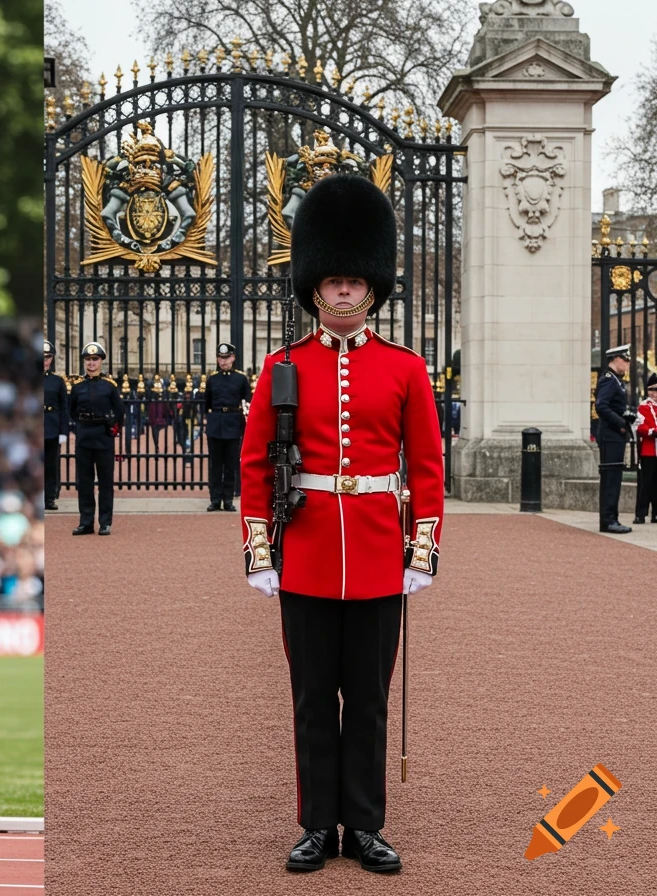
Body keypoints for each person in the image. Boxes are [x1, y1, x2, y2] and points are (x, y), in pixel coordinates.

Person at [239, 174, 443, 874]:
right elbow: (256, 468)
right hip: (308, 555)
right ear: (316, 288)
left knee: (370, 704)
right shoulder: (280, 370)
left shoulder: (407, 371)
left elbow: (426, 468)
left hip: (382, 556)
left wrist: (422, 551)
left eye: (357, 280)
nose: (346, 291)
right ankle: (316, 825)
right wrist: (260, 553)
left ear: (373, 287)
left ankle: (365, 825)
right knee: (310, 703)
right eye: (334, 281)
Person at [69, 342, 123, 536]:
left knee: (105, 482)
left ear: (101, 362)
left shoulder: (109, 387)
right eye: (88, 360)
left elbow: (119, 412)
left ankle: (105, 522)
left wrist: (112, 430)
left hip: (103, 437)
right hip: (84, 436)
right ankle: (86, 522)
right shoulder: (77, 387)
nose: (91, 363)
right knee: (84, 482)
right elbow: (72, 411)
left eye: (95, 359)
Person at [204, 343, 253, 511]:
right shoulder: (212, 379)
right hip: (216, 422)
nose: (223, 361)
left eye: (226, 358)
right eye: (220, 358)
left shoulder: (241, 379)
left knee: (231, 464)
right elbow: (206, 403)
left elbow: (247, 401)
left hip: (233, 423)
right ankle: (215, 499)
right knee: (215, 465)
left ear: (232, 358)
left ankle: (228, 499)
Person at [595, 345, 633, 534]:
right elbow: (601, 406)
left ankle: (611, 518)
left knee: (614, 477)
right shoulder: (609, 380)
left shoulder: (616, 381)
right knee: (611, 478)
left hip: (615, 435)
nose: (628, 363)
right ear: (615, 359)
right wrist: (620, 423)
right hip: (610, 434)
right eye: (625, 359)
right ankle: (608, 520)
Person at [44, 340, 69, 511]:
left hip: (52, 425)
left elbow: (64, 407)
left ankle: (49, 498)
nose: (45, 360)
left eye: (47, 357)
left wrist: (63, 431)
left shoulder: (57, 381)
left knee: (51, 464)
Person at [634, 372, 657, 524]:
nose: (654, 393)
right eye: (651, 390)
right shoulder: (643, 406)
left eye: (656, 390)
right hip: (649, 449)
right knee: (645, 483)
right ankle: (641, 514)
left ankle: (656, 514)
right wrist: (652, 431)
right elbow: (640, 426)